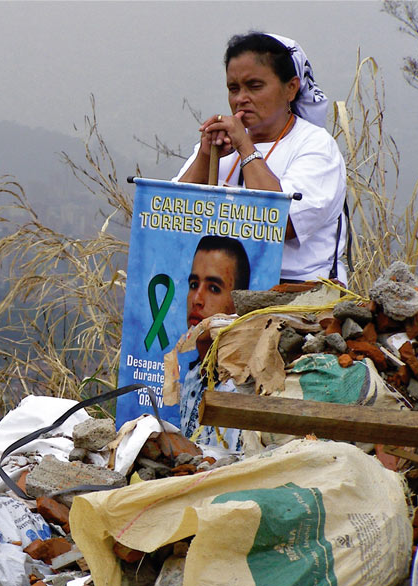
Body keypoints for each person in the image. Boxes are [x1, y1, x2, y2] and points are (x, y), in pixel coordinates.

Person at [173, 32, 348, 286]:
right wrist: (204, 155)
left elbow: (282, 223)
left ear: (291, 88)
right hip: (220, 289)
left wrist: (245, 147)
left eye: (254, 86)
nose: (240, 98)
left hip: (298, 291)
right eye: (233, 89)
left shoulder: (316, 146)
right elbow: (171, 215)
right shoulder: (221, 145)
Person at [179, 235, 249, 447]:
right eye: (193, 284)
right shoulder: (192, 377)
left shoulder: (243, 388)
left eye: (213, 288)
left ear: (238, 303)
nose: (197, 299)